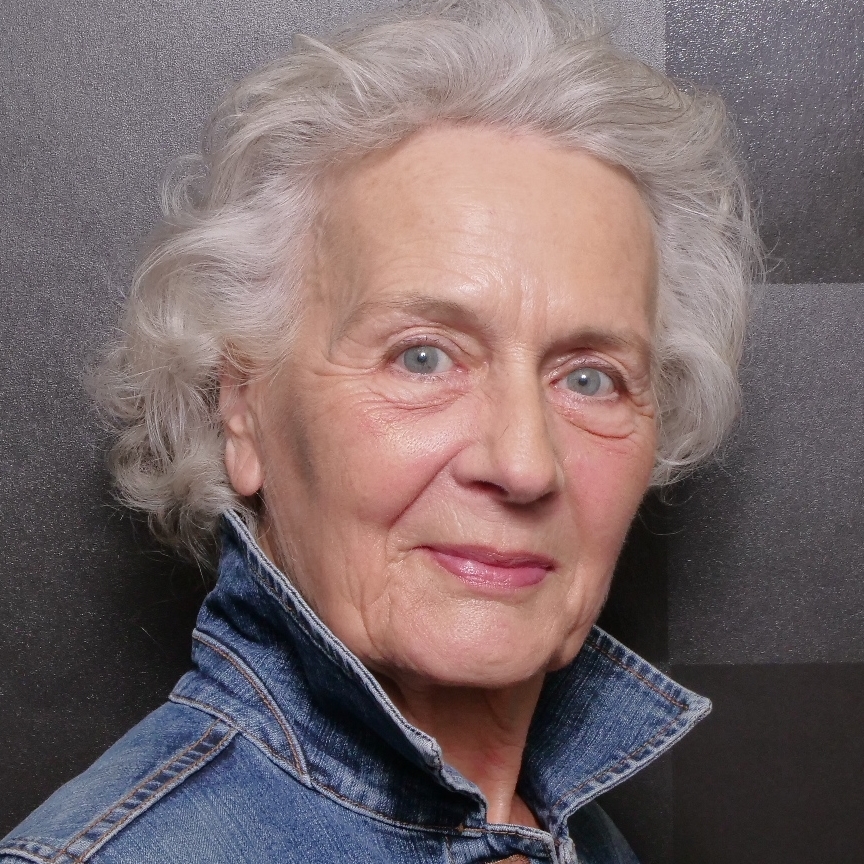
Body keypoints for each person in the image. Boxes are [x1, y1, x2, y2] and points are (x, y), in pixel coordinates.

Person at [0, 1, 761, 862]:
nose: (523, 463)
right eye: (423, 359)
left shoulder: (578, 835)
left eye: (590, 378)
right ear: (243, 407)